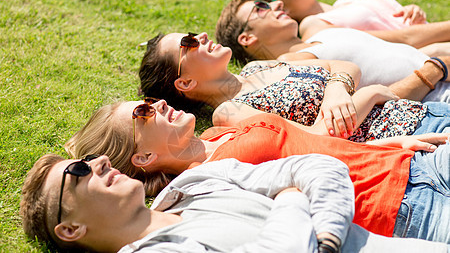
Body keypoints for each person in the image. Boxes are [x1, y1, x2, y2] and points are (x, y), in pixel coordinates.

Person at [65, 99, 450, 243]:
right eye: (143, 113)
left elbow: (311, 146)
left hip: (412, 163)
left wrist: (381, 146)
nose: (159, 104)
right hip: (400, 209)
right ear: (143, 158)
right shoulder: (201, 186)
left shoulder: (220, 132)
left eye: (149, 101)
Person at [21, 153, 449, 252]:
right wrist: (292, 202)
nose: (98, 162)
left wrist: (329, 234)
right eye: (78, 172)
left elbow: (317, 166)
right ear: (70, 228)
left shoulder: (195, 182)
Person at [138, 31, 450, 140]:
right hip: (409, 136)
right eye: (188, 43)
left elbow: (342, 66)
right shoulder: (229, 112)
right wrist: (366, 94)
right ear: (186, 82)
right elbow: (314, 138)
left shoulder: (256, 67)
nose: (201, 37)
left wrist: (337, 90)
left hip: (424, 112)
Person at [214, 0, 450, 102]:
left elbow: (403, 48)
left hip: (443, 74)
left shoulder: (325, 34)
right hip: (436, 97)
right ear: (247, 38)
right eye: (261, 8)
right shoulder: (287, 65)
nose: (277, 3)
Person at [245, 0, 450, 56]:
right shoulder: (316, 26)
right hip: (435, 52)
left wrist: (411, 11)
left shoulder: (345, 1)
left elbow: (400, 26)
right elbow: (404, 40)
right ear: (280, 6)